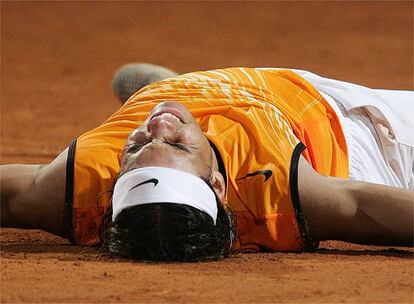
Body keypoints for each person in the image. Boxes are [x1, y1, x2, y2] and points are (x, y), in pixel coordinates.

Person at [1, 63, 413, 262]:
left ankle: (174, 85)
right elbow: (360, 205)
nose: (157, 126)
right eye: (178, 147)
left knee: (168, 107)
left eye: (137, 148)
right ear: (218, 183)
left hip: (247, 90)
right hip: (359, 133)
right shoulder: (275, 192)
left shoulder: (82, 185)